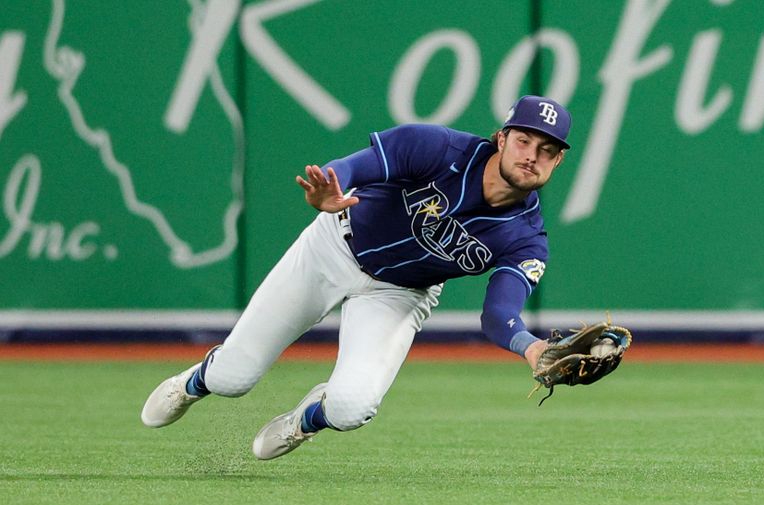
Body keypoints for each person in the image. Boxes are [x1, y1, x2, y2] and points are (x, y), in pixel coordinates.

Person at [141, 95, 572, 461]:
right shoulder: (438, 148)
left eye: (547, 149)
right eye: (523, 140)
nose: (531, 155)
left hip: (399, 294)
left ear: (558, 160)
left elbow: (498, 314)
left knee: (351, 409)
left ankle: (306, 419)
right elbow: (348, 168)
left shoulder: (527, 240)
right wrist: (332, 187)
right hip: (333, 246)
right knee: (232, 378)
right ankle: (194, 383)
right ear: (502, 138)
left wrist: (531, 347)